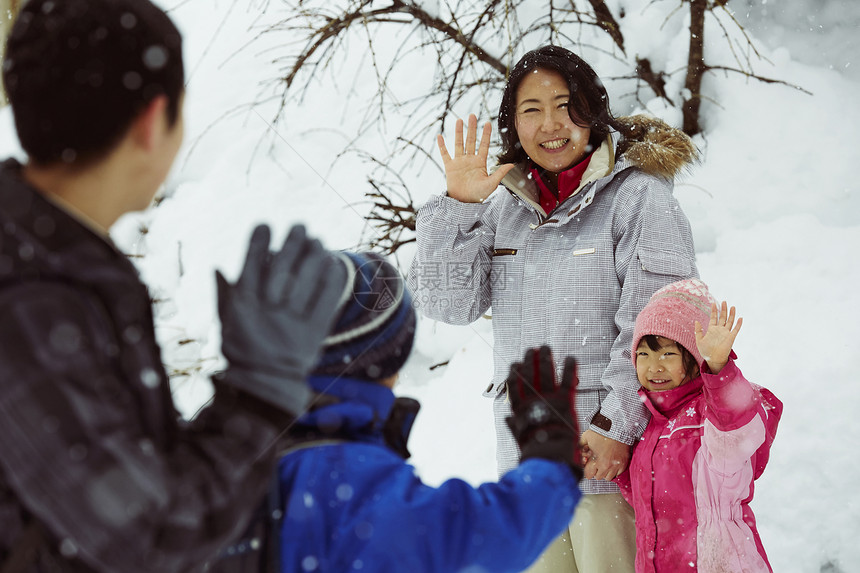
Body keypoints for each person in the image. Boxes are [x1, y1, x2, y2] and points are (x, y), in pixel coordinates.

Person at [0, 1, 345, 571]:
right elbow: (150, 535)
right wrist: (259, 395)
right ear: (151, 122)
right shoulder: (30, 299)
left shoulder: (52, 264)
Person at [407, 44, 699, 571]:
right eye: (531, 110)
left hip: (610, 464)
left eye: (566, 105)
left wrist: (617, 426)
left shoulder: (638, 199)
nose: (551, 124)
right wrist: (459, 208)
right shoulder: (505, 205)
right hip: (527, 467)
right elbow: (447, 303)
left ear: (592, 111)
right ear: (512, 125)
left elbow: (662, 323)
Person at [277, 251, 585, 573]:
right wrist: (550, 457)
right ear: (383, 360)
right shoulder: (345, 477)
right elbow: (477, 535)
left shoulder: (240, 440)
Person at [618, 278, 782, 572]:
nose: (654, 366)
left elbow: (736, 432)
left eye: (668, 354)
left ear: (694, 358)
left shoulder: (707, 415)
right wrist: (616, 469)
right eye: (644, 354)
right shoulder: (651, 424)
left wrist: (719, 367)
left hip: (716, 560)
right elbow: (648, 497)